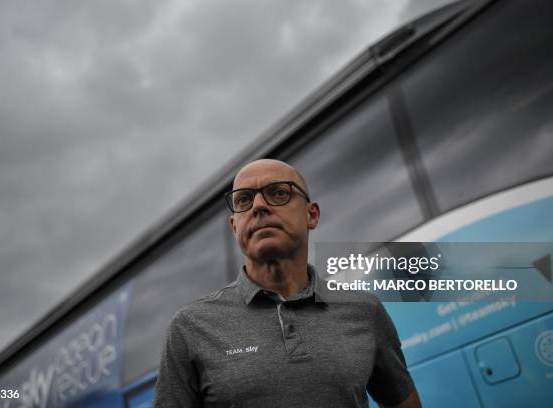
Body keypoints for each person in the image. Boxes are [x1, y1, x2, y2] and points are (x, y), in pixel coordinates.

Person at [154, 159, 421, 407]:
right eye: (244, 200)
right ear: (235, 227)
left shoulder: (365, 310)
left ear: (311, 215)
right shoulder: (189, 327)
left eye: (279, 193)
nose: (258, 206)